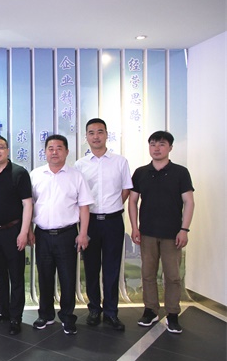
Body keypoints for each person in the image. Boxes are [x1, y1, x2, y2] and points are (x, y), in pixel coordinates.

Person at [128, 130, 194, 334]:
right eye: (153, 144)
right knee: (147, 274)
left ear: (170, 148)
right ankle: (150, 310)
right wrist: (135, 227)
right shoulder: (141, 172)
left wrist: (184, 229)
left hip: (173, 234)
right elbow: (132, 201)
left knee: (172, 276)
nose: (156, 148)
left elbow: (189, 202)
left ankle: (172, 314)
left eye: (162, 144)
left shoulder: (180, 172)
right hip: (147, 232)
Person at [28, 134, 93, 335]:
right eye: (50, 148)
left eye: (59, 148)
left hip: (67, 235)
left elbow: (84, 207)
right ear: (45, 152)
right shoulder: (35, 175)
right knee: (44, 276)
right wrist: (28, 230)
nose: (54, 152)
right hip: (42, 234)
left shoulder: (76, 176)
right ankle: (45, 315)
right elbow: (28, 206)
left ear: (66, 151)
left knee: (67, 277)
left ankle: (67, 316)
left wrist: (83, 233)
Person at [74, 118, 132, 331]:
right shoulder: (80, 165)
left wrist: (112, 206)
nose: (96, 136)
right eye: (91, 133)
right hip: (89, 223)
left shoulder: (120, 162)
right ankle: (94, 309)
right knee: (91, 267)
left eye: (100, 132)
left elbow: (126, 190)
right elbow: (77, 195)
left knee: (111, 268)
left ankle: (111, 312)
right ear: (86, 137)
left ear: (107, 134)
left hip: (113, 221)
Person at [0, 135, 33, 335]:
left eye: (1, 147)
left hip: (13, 231)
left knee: (16, 276)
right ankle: (2, 311)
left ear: (8, 150)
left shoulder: (19, 173)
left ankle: (15, 317)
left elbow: (27, 204)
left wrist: (24, 232)